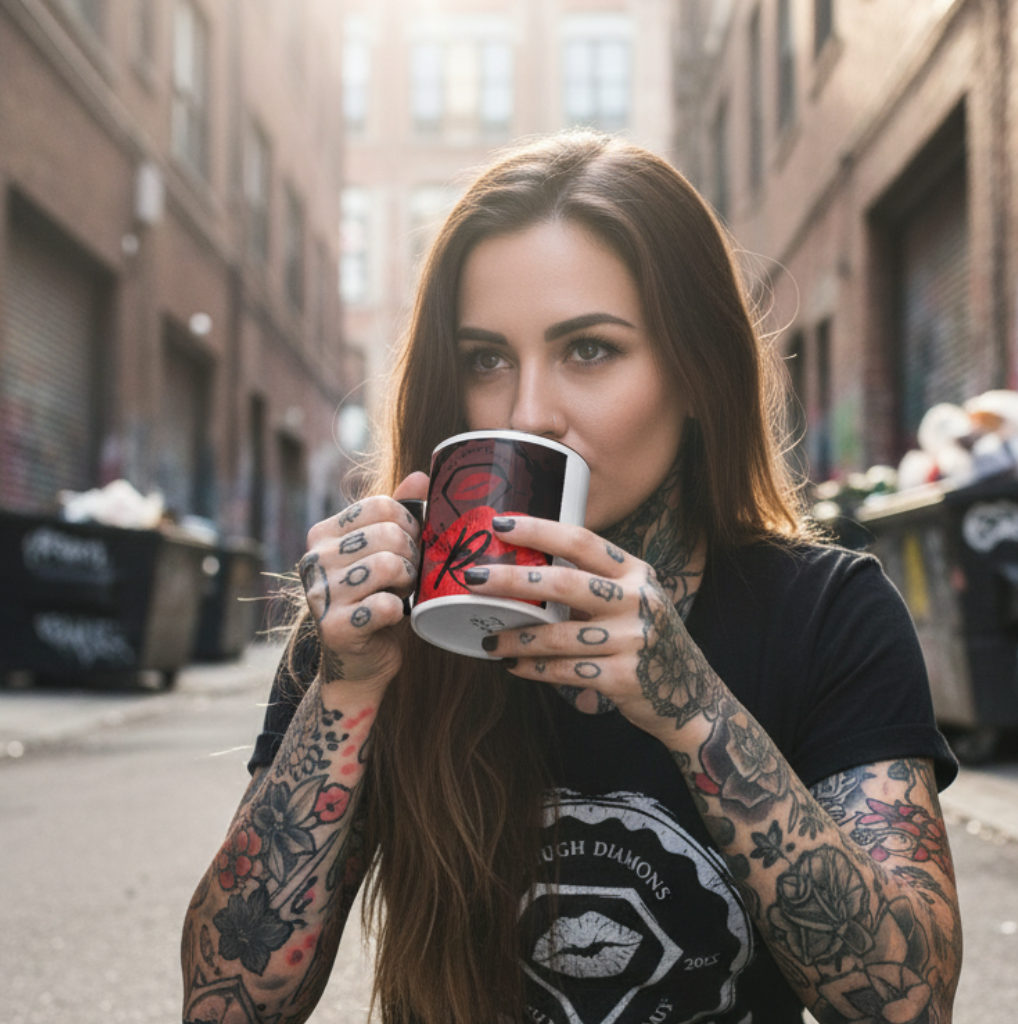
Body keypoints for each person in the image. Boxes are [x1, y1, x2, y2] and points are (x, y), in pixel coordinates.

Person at [182, 131, 961, 1024]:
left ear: (698, 373)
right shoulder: (380, 628)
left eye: (589, 349)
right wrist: (348, 688)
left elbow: (911, 1005)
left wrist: (694, 711)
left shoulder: (828, 612)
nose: (529, 412)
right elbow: (224, 1006)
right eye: (486, 359)